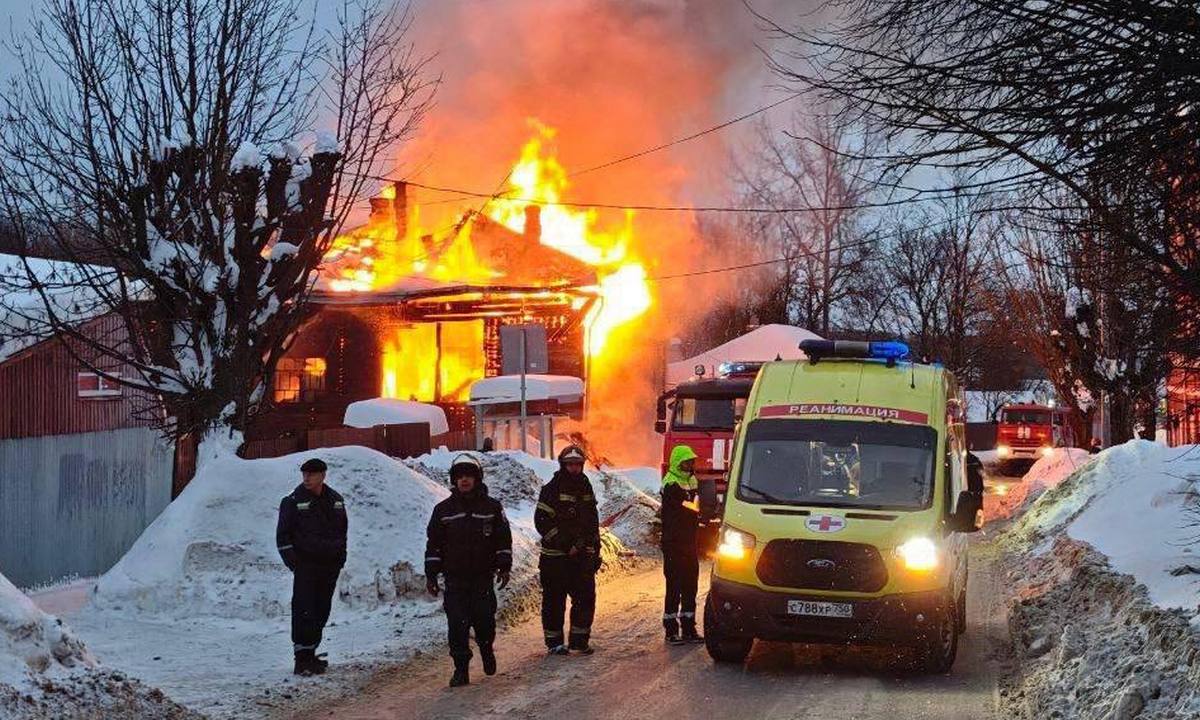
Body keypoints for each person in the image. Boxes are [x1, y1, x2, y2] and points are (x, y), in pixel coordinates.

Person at [424, 454, 513, 688]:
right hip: (455, 580)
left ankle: (486, 649)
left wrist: (504, 566)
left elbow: (503, 539)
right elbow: (433, 544)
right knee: (457, 624)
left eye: (469, 476)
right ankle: (460, 669)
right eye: (460, 477)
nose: (464, 480)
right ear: (454, 480)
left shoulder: (492, 507)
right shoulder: (442, 510)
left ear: (477, 479)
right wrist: (431, 574)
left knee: (484, 621)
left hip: (482, 578)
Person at [276, 457, 348, 676]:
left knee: (321, 609)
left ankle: (312, 653)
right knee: (304, 609)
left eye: (311, 474)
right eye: (304, 474)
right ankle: (302, 657)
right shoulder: (293, 501)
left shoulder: (335, 500)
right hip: (306, 565)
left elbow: (342, 531)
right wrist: (295, 563)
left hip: (329, 566)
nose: (306, 478)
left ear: (322, 475)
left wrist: (340, 557)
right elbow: (283, 536)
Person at [534, 445, 601, 655]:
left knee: (585, 597)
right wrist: (565, 545)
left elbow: (592, 520)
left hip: (581, 556)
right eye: (570, 464)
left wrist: (594, 548)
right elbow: (542, 521)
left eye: (577, 464)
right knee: (554, 600)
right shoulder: (552, 488)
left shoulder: (585, 486)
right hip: (556, 559)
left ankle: (579, 641)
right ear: (563, 465)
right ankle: (554, 643)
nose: (574, 468)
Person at [661, 444, 703, 645]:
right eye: (687, 461)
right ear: (678, 462)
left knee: (690, 586)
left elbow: (695, 506)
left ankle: (689, 628)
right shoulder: (671, 484)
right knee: (674, 586)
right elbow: (685, 508)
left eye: (692, 461)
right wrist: (698, 509)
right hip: (674, 543)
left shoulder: (692, 480)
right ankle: (670, 631)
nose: (690, 464)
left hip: (689, 542)